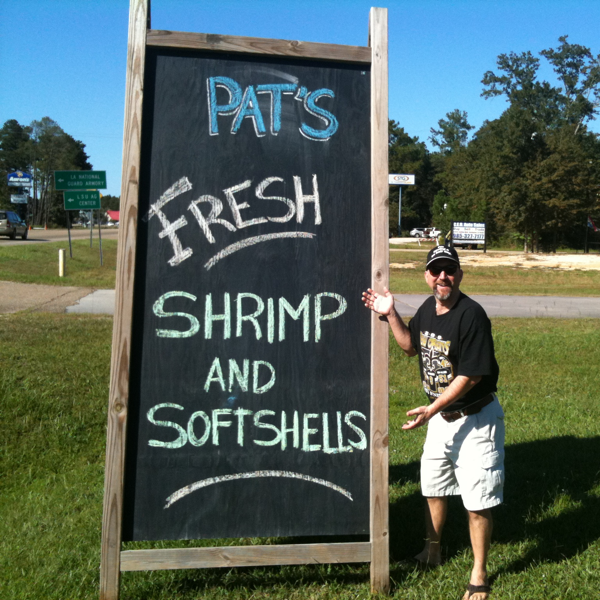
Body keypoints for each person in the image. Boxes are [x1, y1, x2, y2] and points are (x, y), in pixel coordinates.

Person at [362, 245, 504, 600]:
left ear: (460, 273)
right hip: (441, 417)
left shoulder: (472, 315)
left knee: (477, 499)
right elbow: (411, 347)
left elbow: (470, 376)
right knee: (433, 486)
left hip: (475, 418)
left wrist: (431, 408)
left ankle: (479, 574)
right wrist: (390, 314)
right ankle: (433, 550)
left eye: (450, 270)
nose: (443, 277)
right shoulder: (428, 309)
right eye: (437, 270)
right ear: (427, 275)